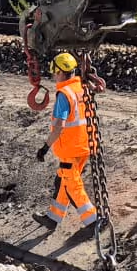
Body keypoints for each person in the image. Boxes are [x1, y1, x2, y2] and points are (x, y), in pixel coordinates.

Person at [37, 51, 97, 229]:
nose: (54, 77)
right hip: (84, 146)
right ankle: (53, 218)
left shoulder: (64, 95)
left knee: (73, 186)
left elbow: (59, 126)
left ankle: (94, 220)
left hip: (70, 150)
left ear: (60, 72)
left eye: (54, 73)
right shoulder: (81, 88)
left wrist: (45, 148)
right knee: (63, 180)